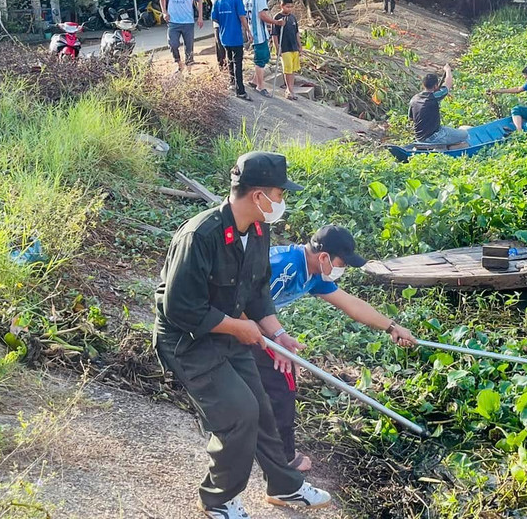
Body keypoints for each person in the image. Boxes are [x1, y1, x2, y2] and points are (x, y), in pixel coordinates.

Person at [153, 151, 331, 519]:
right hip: (189, 342)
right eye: (280, 195)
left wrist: (277, 333)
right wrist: (239, 327)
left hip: (230, 335)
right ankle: (218, 499)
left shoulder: (260, 231)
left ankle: (285, 486)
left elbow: (257, 291)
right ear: (258, 196)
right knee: (240, 414)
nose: (282, 203)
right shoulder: (201, 235)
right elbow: (180, 309)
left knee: (262, 406)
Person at [254, 225, 416, 472]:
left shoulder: (314, 274)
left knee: (275, 378)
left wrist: (392, 327)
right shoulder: (284, 266)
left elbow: (350, 303)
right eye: (343, 263)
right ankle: (283, 458)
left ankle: (262, 439)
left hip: (255, 322)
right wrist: (275, 338)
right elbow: (245, 301)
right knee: (283, 378)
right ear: (323, 257)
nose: (344, 269)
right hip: (233, 319)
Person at [210, 0, 252, 100]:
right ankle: (240, 90)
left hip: (224, 36)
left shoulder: (218, 1)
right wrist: (248, 30)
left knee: (229, 59)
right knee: (237, 62)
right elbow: (242, 16)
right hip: (236, 37)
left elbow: (214, 17)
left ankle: (232, 83)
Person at [409, 63, 467, 147]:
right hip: (435, 136)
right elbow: (448, 84)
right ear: (436, 86)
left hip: (419, 138)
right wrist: (447, 70)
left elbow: (411, 118)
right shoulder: (434, 96)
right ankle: (450, 147)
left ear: (423, 85)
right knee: (465, 134)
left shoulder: (414, 99)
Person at [160, 0, 203, 73]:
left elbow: (198, 0)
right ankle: (178, 63)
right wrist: (164, 12)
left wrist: (200, 17)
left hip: (188, 21)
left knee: (189, 46)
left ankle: (189, 69)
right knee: (173, 44)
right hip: (173, 21)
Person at [241, 0, 276, 97]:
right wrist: (275, 22)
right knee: (260, 59)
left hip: (249, 30)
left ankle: (255, 80)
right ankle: (260, 86)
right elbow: (263, 15)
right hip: (259, 32)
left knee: (265, 56)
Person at [277, 0, 301, 101]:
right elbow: (274, 35)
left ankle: (291, 89)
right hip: (284, 47)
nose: (289, 9)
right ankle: (288, 89)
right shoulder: (277, 17)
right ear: (282, 6)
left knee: (293, 69)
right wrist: (278, 48)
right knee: (287, 70)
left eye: (291, 7)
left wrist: (300, 46)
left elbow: (296, 32)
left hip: (293, 47)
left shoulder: (293, 18)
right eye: (287, 7)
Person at [209, 0, 228, 70]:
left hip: (230, 21)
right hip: (219, 22)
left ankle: (230, 64)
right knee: (219, 43)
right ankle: (222, 64)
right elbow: (217, 2)